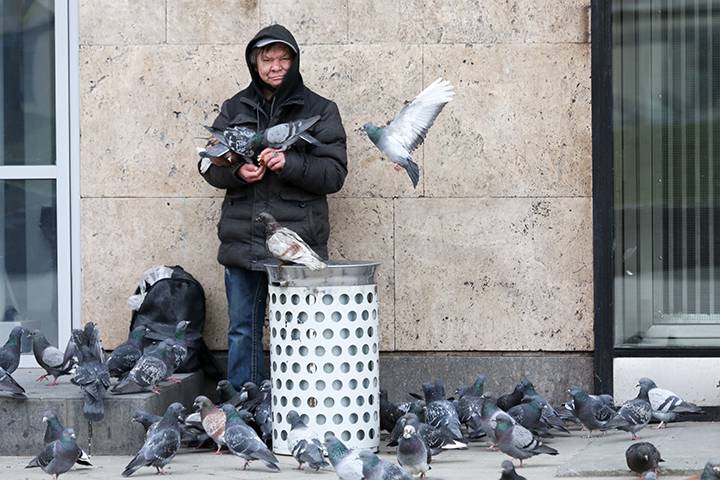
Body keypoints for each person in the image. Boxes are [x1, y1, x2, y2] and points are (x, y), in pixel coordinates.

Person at [198, 24, 348, 389]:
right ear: (254, 62)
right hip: (244, 241)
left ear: (295, 62)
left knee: (300, 332)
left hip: (296, 245)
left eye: (284, 58)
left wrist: (291, 164)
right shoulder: (234, 108)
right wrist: (237, 171)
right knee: (242, 331)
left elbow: (335, 174)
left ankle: (298, 405)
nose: (276, 66)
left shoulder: (321, 110)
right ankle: (245, 410)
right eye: (268, 59)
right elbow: (207, 165)